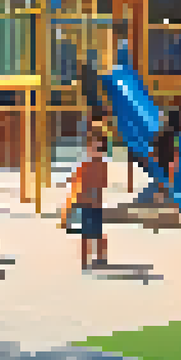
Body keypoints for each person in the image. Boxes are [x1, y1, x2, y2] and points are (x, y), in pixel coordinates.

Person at [61, 110, 112, 271]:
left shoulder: (98, 164)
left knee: (96, 232)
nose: (93, 150)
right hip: (86, 202)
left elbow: (101, 183)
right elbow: (77, 180)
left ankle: (100, 256)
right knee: (86, 233)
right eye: (92, 147)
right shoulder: (86, 164)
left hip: (93, 202)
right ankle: (86, 259)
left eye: (97, 148)